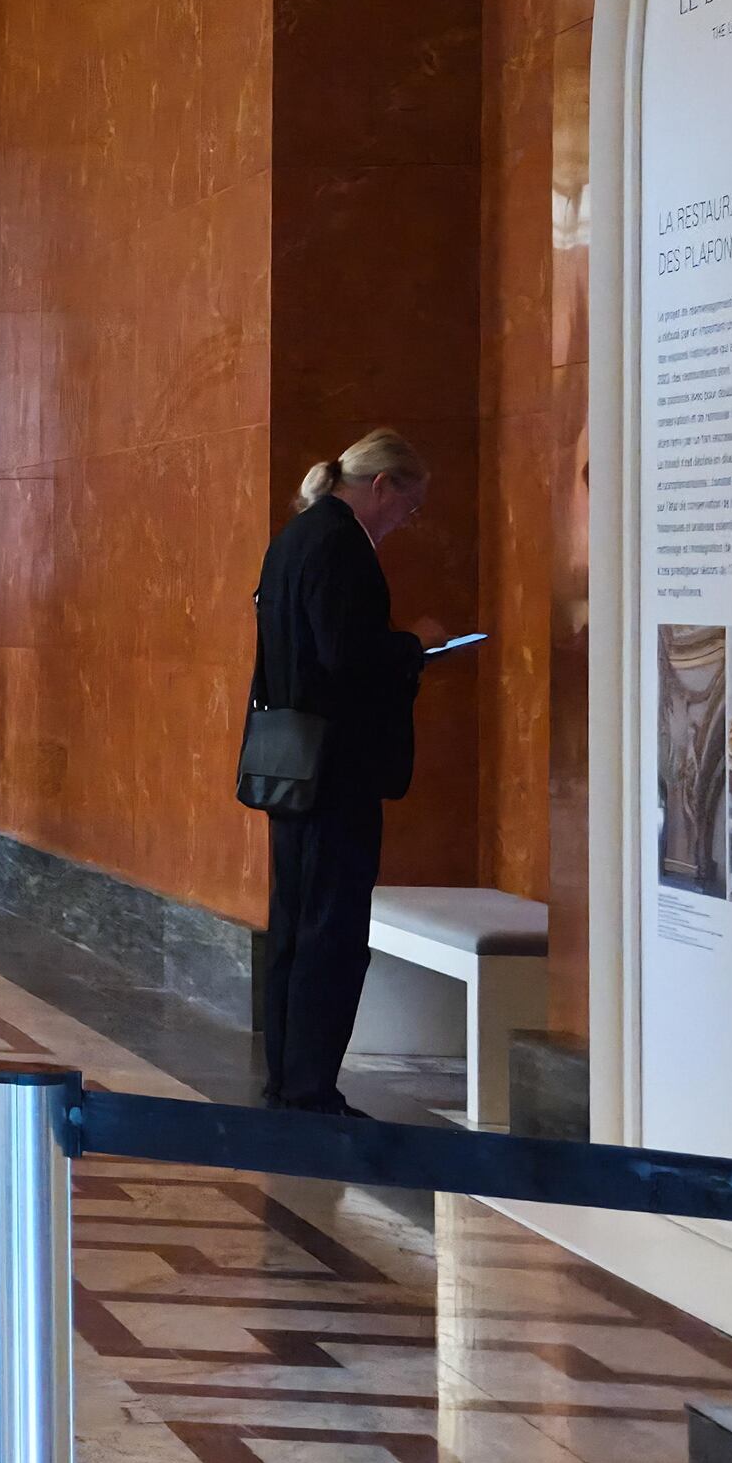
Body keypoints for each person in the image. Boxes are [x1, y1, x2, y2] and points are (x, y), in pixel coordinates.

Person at [248, 428, 440, 1113]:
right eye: (407, 507)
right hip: (336, 767)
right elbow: (346, 656)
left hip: (292, 760)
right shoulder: (342, 544)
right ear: (381, 484)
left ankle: (287, 1076)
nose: (404, 523)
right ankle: (310, 1087)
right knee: (331, 931)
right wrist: (413, 645)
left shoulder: (294, 537)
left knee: (295, 925)